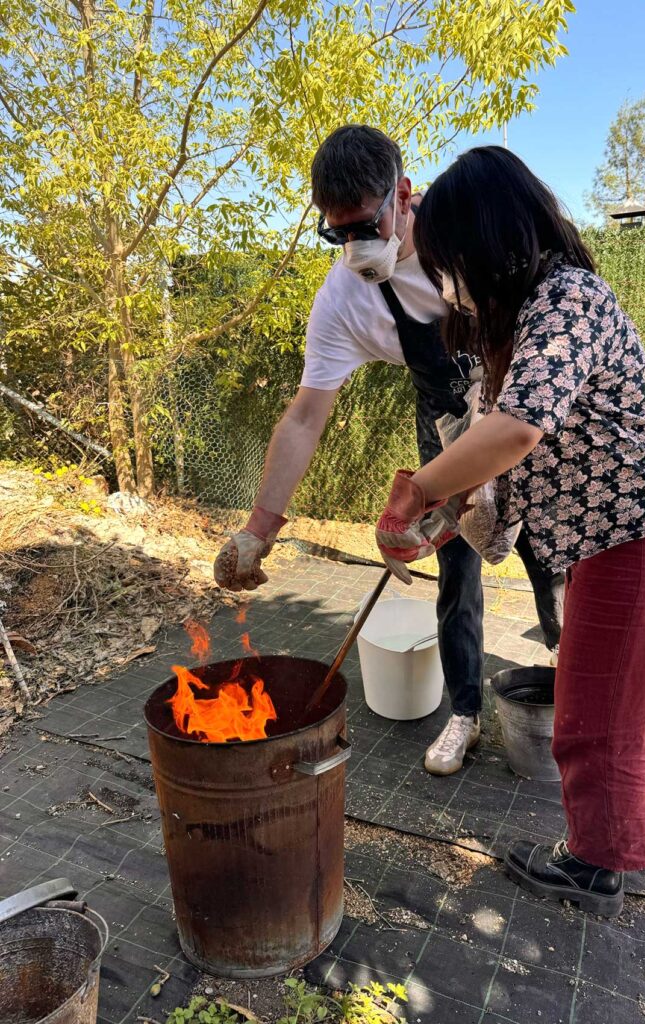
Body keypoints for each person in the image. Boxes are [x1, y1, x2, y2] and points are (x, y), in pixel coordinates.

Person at [375, 145, 645, 916]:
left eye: (446, 262)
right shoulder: (521, 331)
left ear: (486, 240)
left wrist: (417, 489)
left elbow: (516, 431)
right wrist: (441, 527)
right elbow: (501, 488)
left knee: (591, 717)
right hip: (622, 537)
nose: (443, 283)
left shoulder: (568, 300)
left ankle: (597, 864)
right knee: (621, 696)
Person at [213, 126, 565, 776]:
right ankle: (464, 715)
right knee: (456, 572)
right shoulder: (345, 298)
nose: (356, 247)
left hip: (526, 405)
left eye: (367, 225)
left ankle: (586, 713)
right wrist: (259, 529)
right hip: (448, 424)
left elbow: (545, 333)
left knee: (554, 558)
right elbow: (305, 417)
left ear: (403, 195)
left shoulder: (469, 230)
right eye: (338, 233)